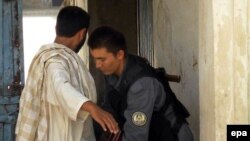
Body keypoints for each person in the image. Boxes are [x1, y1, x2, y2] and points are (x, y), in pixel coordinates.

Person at [15, 6, 119, 141]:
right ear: (82, 34)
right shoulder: (54, 60)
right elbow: (61, 86)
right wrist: (92, 108)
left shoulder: (56, 57)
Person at [87, 25, 194, 141]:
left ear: (120, 55)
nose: (97, 65)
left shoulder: (141, 85)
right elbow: (109, 112)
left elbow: (136, 137)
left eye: (102, 59)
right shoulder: (111, 72)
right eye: (95, 59)